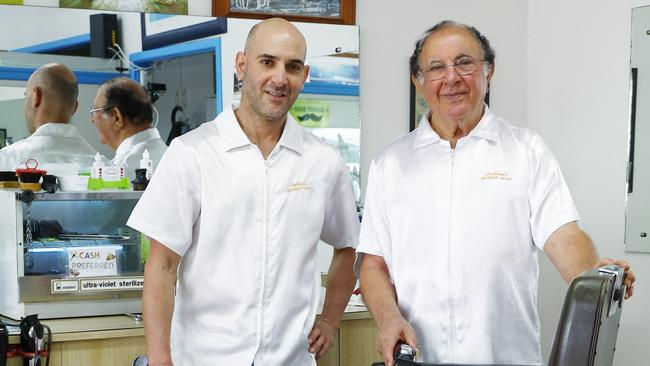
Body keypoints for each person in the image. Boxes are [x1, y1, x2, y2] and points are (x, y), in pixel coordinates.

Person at [357, 20, 636, 366]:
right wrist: (388, 319)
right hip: (417, 356)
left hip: (507, 357)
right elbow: (373, 263)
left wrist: (592, 276)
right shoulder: (390, 163)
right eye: (436, 68)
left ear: (489, 71)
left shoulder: (526, 150)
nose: (452, 78)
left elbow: (562, 234)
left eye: (465, 63)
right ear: (418, 80)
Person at [126, 18, 359, 366]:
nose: (280, 78)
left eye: (292, 67)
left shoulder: (323, 162)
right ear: (241, 64)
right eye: (268, 62)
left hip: (290, 359)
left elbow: (349, 247)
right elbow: (161, 267)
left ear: (305, 75)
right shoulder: (192, 153)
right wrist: (161, 360)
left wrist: (330, 319)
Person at [0, 63, 97, 171]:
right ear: (75, 107)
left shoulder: (8, 160)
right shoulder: (101, 163)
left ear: (35, 96)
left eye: (26, 95)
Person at [90, 77, 167, 180]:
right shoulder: (174, 156)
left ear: (116, 117)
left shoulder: (121, 172)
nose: (92, 120)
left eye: (94, 112)